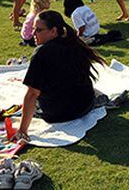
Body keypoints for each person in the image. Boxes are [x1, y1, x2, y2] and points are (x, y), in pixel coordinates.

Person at [15, 11, 108, 139]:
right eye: (34, 29)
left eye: (39, 30)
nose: (33, 34)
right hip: (84, 105)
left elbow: (32, 94)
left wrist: (22, 130)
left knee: (32, 101)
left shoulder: (42, 52)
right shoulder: (73, 43)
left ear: (53, 31)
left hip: (58, 113)